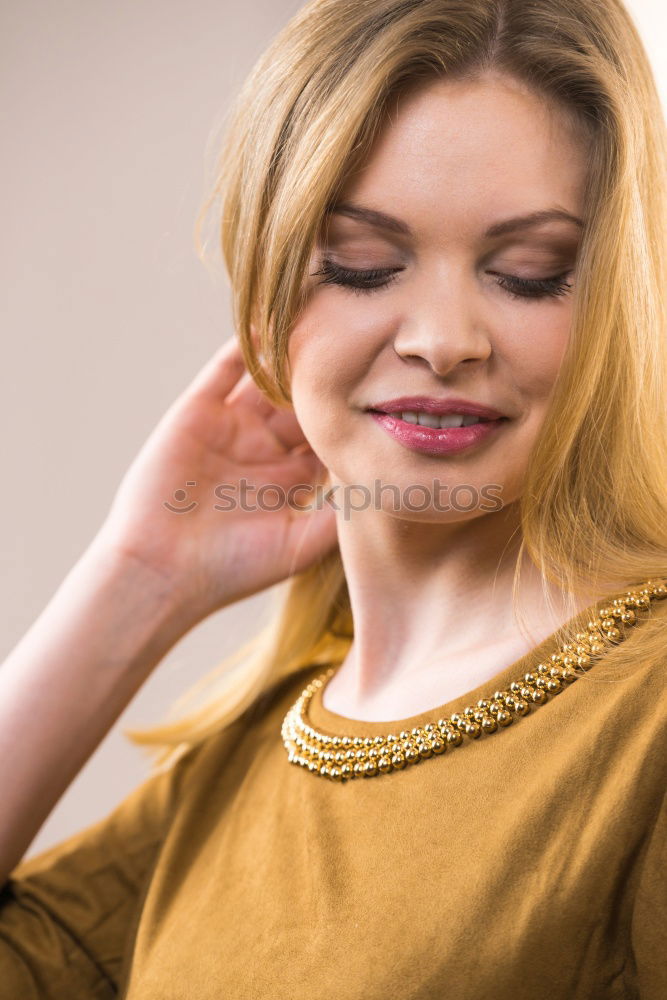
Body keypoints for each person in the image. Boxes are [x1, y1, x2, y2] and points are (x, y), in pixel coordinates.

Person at [1, 0, 666, 996]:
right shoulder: (243, 762)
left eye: (531, 274)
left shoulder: (643, 719)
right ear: (266, 304)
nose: (445, 339)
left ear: (618, 298)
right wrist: (136, 578)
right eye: (362, 264)